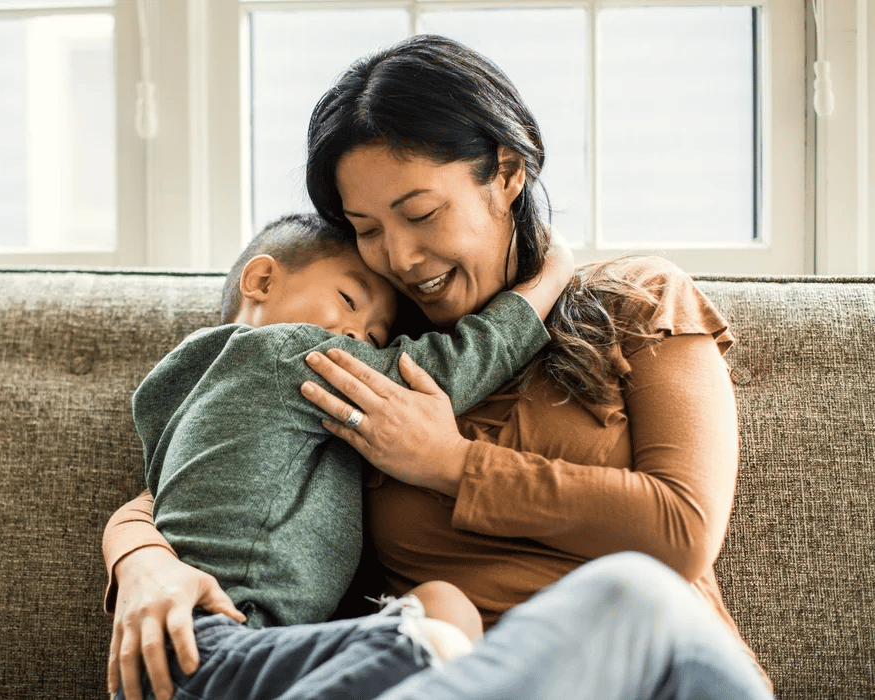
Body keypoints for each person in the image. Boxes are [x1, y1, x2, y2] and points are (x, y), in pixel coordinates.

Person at [105, 33, 772, 700]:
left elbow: (682, 532)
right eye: (367, 230)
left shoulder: (637, 298)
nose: (398, 257)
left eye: (419, 213)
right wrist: (142, 563)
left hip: (646, 670)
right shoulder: (368, 360)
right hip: (435, 677)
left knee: (630, 593)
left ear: (507, 174)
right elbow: (203, 470)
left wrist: (447, 463)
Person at [119, 211, 571, 699]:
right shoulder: (286, 352)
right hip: (213, 643)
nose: (359, 336)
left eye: (377, 338)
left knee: (435, 612)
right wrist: (546, 282)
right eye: (348, 300)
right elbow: (440, 372)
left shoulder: (183, 390)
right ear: (262, 279)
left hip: (187, 653)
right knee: (441, 617)